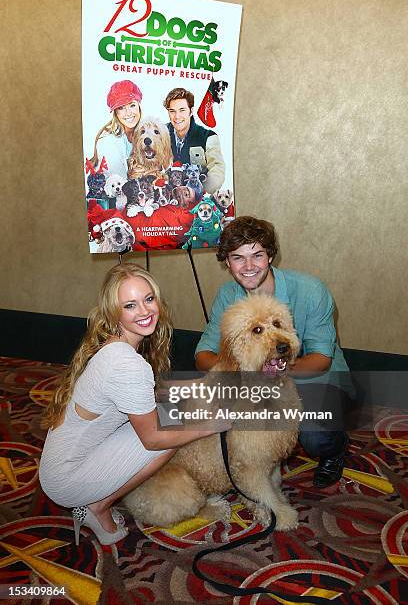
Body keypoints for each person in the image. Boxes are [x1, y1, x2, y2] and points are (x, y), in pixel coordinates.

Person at [39, 263, 230, 546]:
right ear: (113, 313)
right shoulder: (127, 363)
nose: (144, 311)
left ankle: (97, 494)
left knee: (172, 411)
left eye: (148, 299)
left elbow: (151, 391)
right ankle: (98, 506)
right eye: (130, 305)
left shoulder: (115, 345)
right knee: (172, 427)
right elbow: (153, 439)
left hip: (61, 463)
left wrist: (205, 383)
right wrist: (210, 425)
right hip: (66, 478)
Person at [195, 216, 352, 489]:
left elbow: (321, 359)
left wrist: (272, 374)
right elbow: (203, 355)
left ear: (270, 256)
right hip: (256, 378)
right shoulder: (227, 296)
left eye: (257, 255)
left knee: (315, 434)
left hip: (313, 376)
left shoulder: (311, 290)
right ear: (227, 262)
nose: (248, 267)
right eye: (238, 258)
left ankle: (334, 450)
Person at [163, 87, 225, 195]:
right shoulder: (160, 133)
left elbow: (217, 168)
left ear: (191, 111)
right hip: (166, 196)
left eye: (182, 110)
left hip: (196, 199)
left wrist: (202, 189)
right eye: (172, 111)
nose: (177, 116)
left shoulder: (208, 136)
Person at [88, 80, 143, 179]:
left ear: (139, 105)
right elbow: (119, 183)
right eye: (121, 108)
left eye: (132, 105)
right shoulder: (107, 141)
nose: (128, 113)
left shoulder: (146, 132)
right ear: (115, 113)